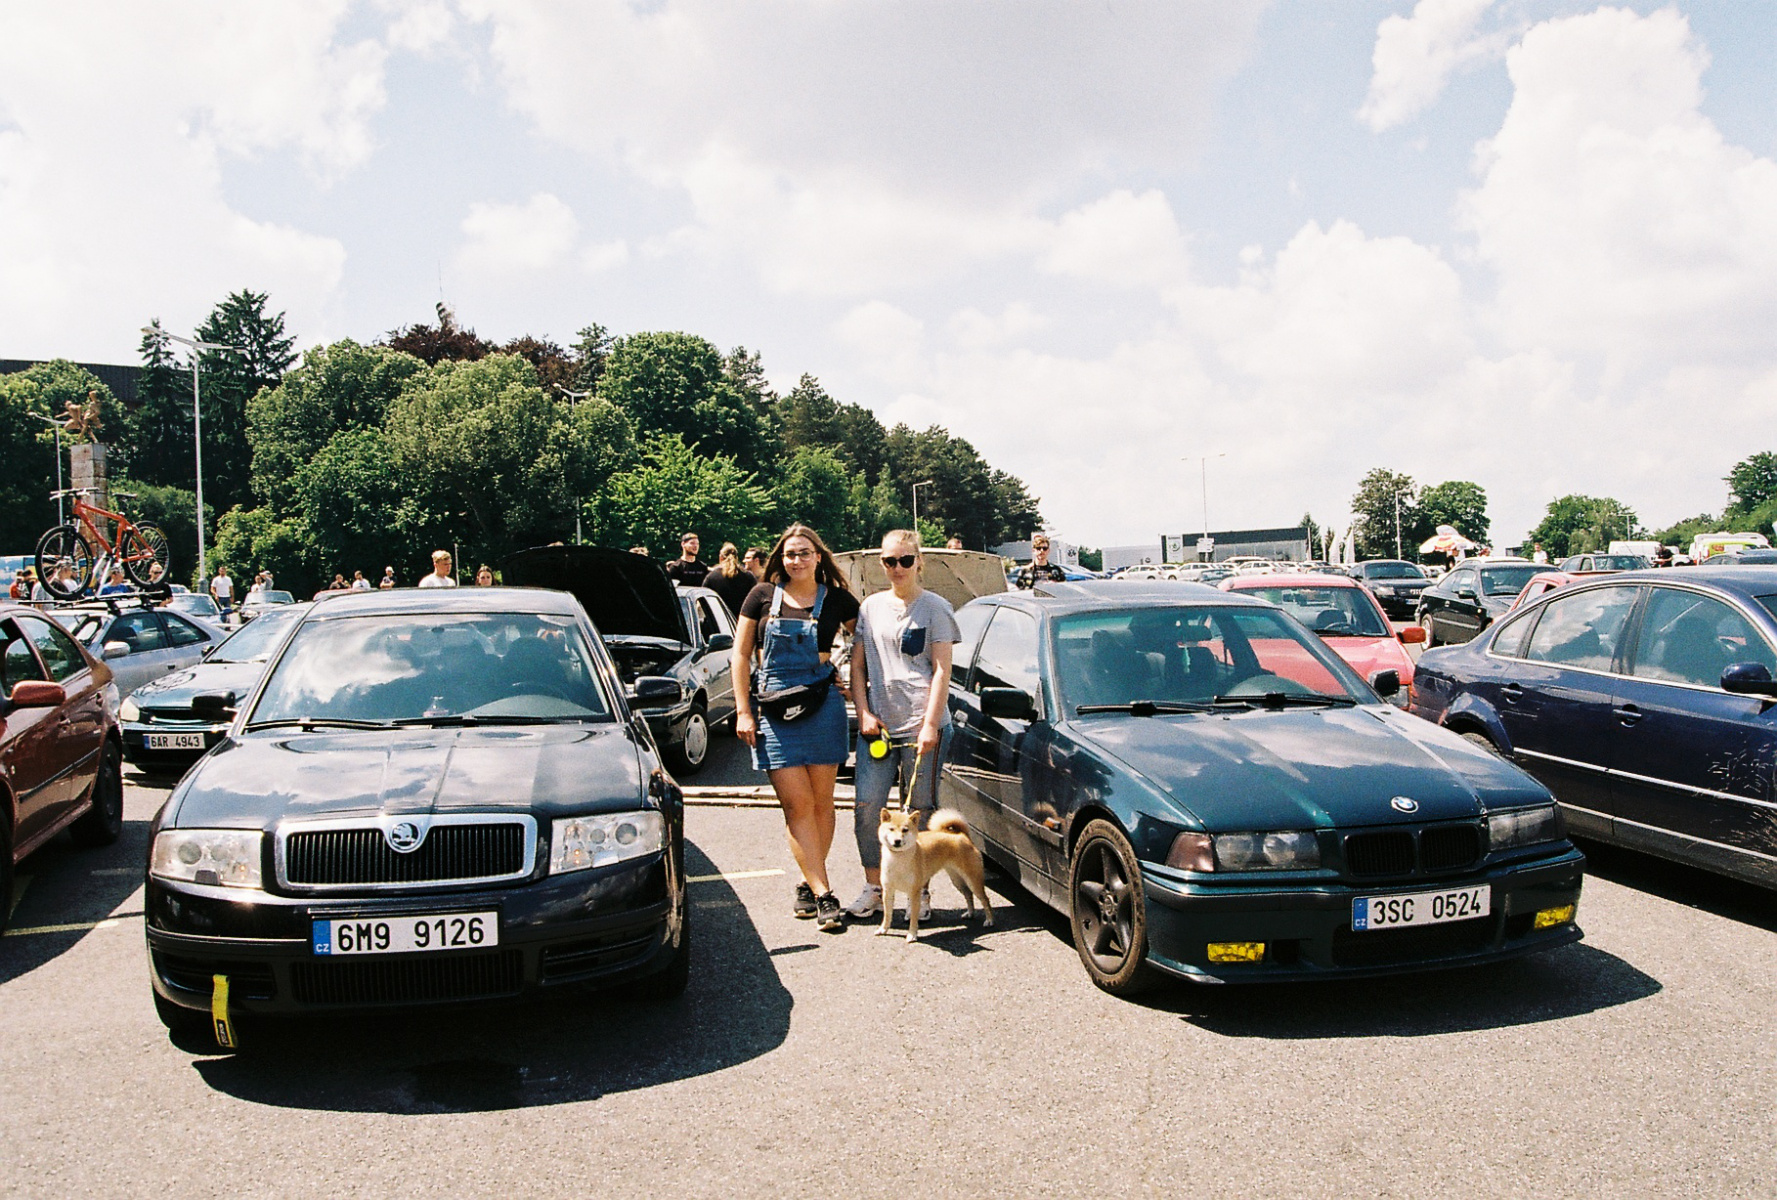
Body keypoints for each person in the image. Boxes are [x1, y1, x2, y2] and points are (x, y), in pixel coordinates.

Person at [733, 524, 860, 932]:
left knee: (822, 804)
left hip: (823, 707)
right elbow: (740, 656)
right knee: (797, 805)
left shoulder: (837, 599)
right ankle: (825, 894)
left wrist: (849, 677)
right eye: (790, 554)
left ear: (818, 556)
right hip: (773, 710)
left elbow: (867, 642)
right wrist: (743, 711)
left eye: (805, 553)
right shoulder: (760, 596)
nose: (797, 560)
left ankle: (808, 882)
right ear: (780, 558)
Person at [845, 530, 960, 920]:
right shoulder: (870, 607)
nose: (897, 568)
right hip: (878, 726)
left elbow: (942, 670)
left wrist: (930, 725)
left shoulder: (936, 608)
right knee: (868, 807)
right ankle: (875, 887)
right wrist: (863, 712)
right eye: (889, 561)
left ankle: (918, 891)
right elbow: (857, 667)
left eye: (905, 560)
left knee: (919, 811)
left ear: (919, 561)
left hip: (922, 725)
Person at [704, 542, 757, 615]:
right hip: (741, 618)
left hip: (718, 618)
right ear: (736, 558)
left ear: (720, 557)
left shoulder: (711, 576)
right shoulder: (748, 576)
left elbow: (703, 600)